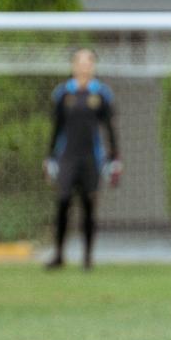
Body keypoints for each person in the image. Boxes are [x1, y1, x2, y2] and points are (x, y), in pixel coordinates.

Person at [44, 48, 121, 270]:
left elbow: (109, 127)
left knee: (89, 205)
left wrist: (114, 156)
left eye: (88, 61)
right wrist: (50, 157)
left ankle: (87, 258)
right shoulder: (63, 94)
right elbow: (56, 128)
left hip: (91, 157)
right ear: (73, 65)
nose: (84, 65)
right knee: (63, 202)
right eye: (80, 61)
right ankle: (59, 255)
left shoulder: (101, 94)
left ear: (94, 66)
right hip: (67, 156)